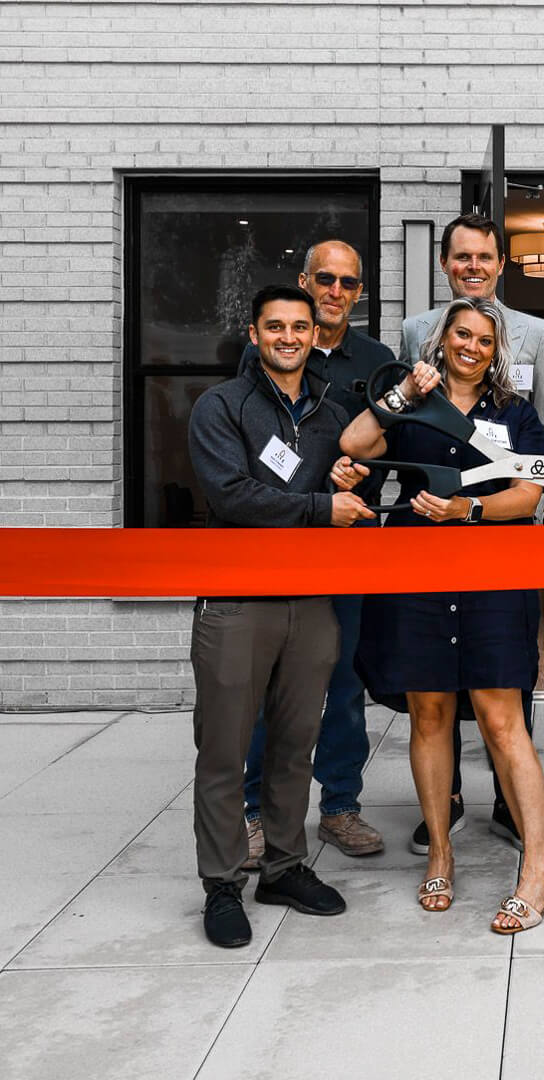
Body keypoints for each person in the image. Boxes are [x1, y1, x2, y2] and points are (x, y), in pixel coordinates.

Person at [341, 296, 544, 933]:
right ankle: (440, 854)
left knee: (501, 716)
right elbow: (354, 442)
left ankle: (537, 872)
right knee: (430, 712)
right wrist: (406, 392)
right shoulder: (413, 401)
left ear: (497, 353)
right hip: (417, 573)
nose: (472, 347)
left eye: (485, 341)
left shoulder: (515, 412)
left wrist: (470, 511)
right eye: (462, 335)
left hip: (495, 574)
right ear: (441, 340)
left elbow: (529, 493)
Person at [187, 283, 374, 948]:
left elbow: (327, 491)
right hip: (237, 601)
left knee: (296, 743)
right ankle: (221, 885)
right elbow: (232, 496)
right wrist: (324, 507)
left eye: (299, 327)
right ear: (254, 333)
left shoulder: (330, 412)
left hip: (310, 600)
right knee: (225, 748)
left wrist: (342, 483)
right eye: (275, 327)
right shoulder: (221, 406)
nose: (288, 337)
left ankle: (285, 869)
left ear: (314, 335)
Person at [400, 212, 544, 859]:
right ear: (445, 263)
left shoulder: (537, 333)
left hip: (505, 532)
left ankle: (508, 803)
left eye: (484, 257)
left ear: (501, 263)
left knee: (505, 679)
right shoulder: (416, 330)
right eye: (462, 256)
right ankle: (444, 805)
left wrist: (525, 501)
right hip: (428, 542)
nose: (473, 266)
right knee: (433, 687)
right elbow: (400, 425)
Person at [239, 240, 394, 867]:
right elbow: (252, 442)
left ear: (359, 293)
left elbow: (390, 440)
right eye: (325, 279)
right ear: (305, 282)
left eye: (348, 283)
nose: (336, 291)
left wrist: (363, 473)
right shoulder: (265, 353)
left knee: (344, 681)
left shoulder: (378, 360)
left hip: (349, 545)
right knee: (269, 684)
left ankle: (340, 808)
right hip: (279, 544)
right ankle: (255, 812)